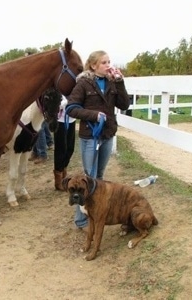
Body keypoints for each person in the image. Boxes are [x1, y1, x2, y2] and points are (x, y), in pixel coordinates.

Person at [66, 50, 130, 230]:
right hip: (90, 136)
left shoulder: (112, 82)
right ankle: (81, 220)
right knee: (87, 177)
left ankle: (94, 212)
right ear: (93, 65)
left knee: (99, 177)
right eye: (104, 62)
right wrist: (93, 115)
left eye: (109, 61)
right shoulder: (84, 84)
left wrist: (120, 82)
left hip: (107, 134)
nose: (108, 65)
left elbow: (124, 105)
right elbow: (72, 108)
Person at [53, 95, 75, 191]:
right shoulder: (57, 89)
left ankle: (64, 170)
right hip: (60, 120)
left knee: (70, 148)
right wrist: (65, 102)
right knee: (61, 148)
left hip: (71, 119)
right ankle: (59, 179)